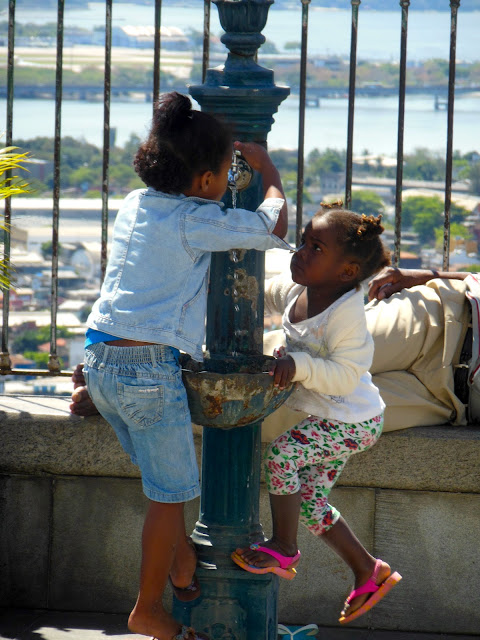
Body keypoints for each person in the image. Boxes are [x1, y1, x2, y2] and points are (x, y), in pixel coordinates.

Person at [81, 91, 290, 640]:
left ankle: (181, 567)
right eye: (224, 172)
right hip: (148, 370)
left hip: (101, 358)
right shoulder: (197, 219)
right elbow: (271, 229)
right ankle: (148, 609)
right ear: (203, 181)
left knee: (166, 483)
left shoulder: (135, 202)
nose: (226, 181)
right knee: (169, 497)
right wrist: (268, 173)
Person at [230, 205, 402, 625]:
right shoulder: (298, 290)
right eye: (304, 241)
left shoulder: (346, 315)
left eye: (316, 247)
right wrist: (229, 278)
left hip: (352, 420)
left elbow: (346, 376)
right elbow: (264, 291)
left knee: (283, 456)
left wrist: (299, 367)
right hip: (335, 419)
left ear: (346, 272)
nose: (301, 252)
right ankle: (368, 571)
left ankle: (283, 549)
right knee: (310, 503)